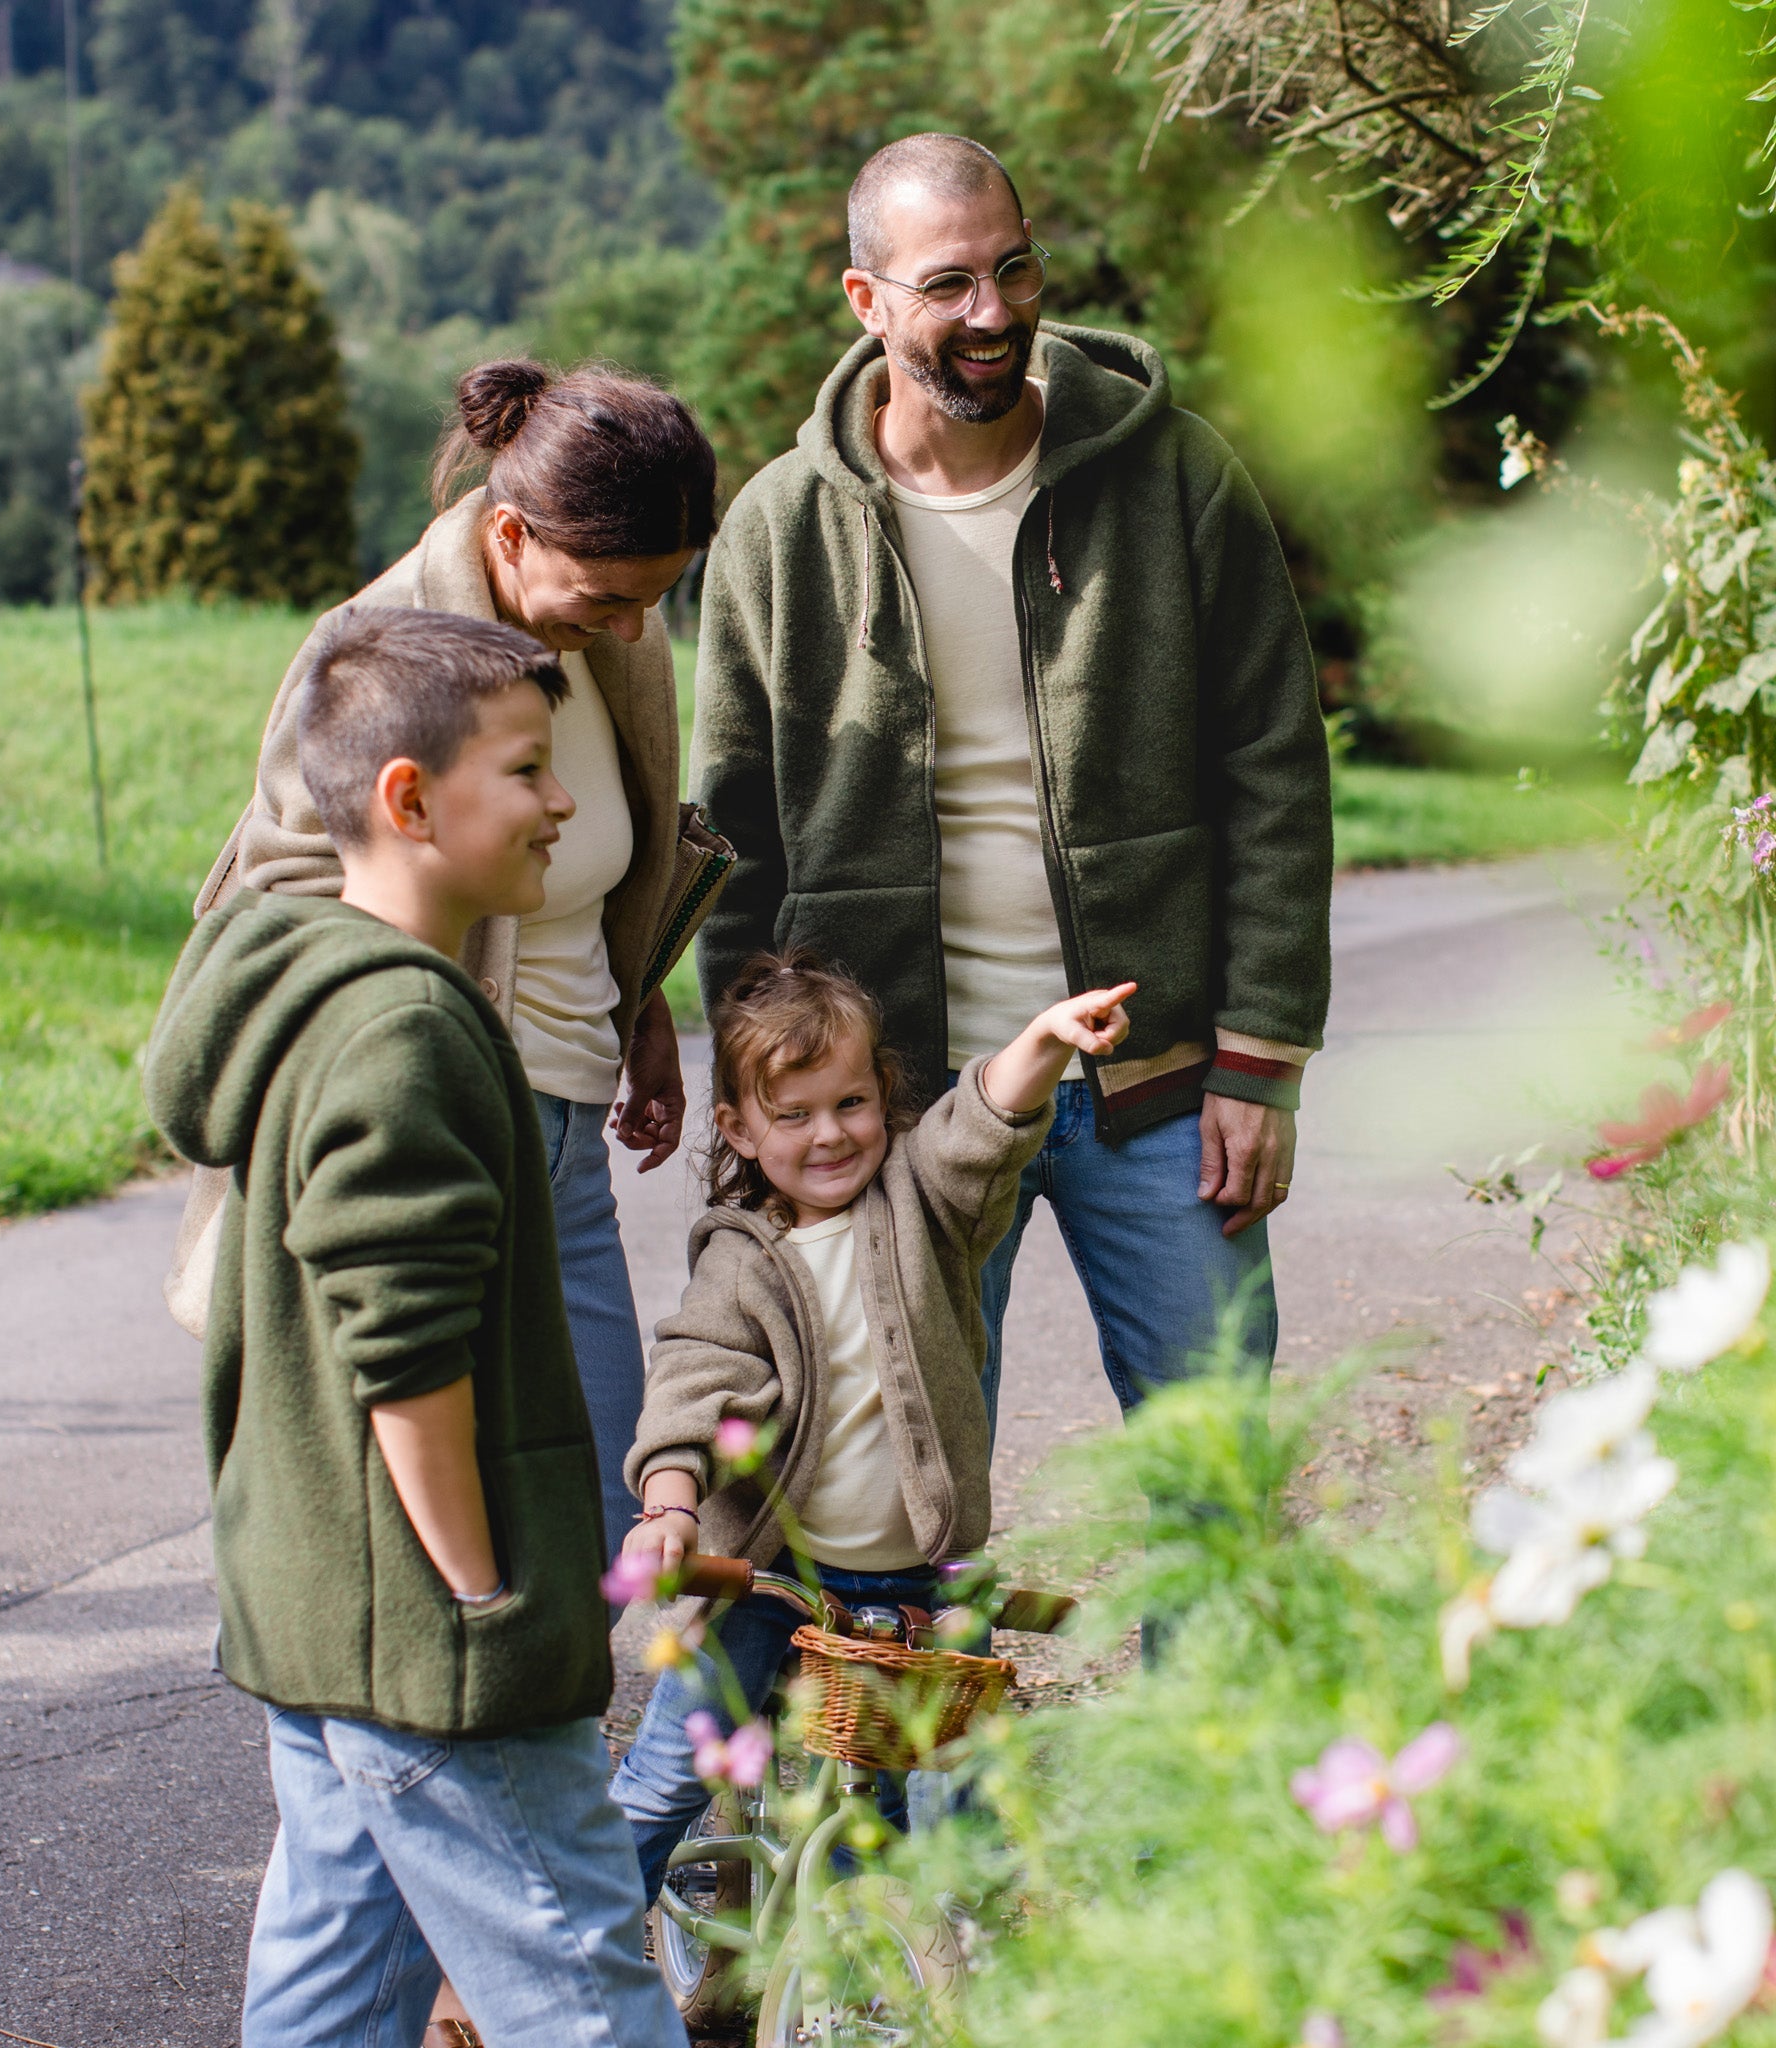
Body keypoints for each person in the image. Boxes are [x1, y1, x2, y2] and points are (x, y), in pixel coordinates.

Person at [691, 133, 1332, 1432]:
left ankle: (1205, 1655)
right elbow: (736, 836)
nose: (992, 314)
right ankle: (925, 1652)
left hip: (1153, 1084)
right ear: (867, 303)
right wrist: (757, 1094)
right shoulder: (780, 529)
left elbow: (1275, 768)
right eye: (948, 285)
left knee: (1216, 1469)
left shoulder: (1175, 475)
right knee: (892, 1490)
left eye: (1014, 269)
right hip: (900, 1098)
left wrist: (1262, 1059)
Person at [144, 607, 688, 2048]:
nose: (563, 799)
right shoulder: (406, 1033)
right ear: (408, 799)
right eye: (526, 770)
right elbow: (405, 1353)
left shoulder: (307, 986)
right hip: (431, 1639)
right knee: (585, 1996)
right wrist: (484, 1592)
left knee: (336, 1993)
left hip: (323, 1617)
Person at [180, 359, 719, 1566]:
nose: (632, 629)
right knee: (455, 1523)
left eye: (656, 600)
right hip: (456, 1119)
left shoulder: (613, 631)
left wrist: (638, 1011)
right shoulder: (378, 653)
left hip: (573, 1131)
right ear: (512, 533)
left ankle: (559, 1742)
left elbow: (602, 854)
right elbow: (283, 899)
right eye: (605, 600)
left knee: (602, 1504)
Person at [607, 950, 1134, 1897]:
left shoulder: (924, 1204)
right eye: (793, 1114)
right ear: (736, 1126)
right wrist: (671, 1508)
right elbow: (694, 1379)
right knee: (664, 1783)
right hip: (768, 1576)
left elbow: (981, 1128)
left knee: (894, 1812)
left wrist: (1045, 1042)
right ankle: (564, 1971)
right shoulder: (742, 1259)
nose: (829, 1135)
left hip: (912, 1579)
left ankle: (861, 1989)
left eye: (850, 1104)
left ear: (883, 1097)